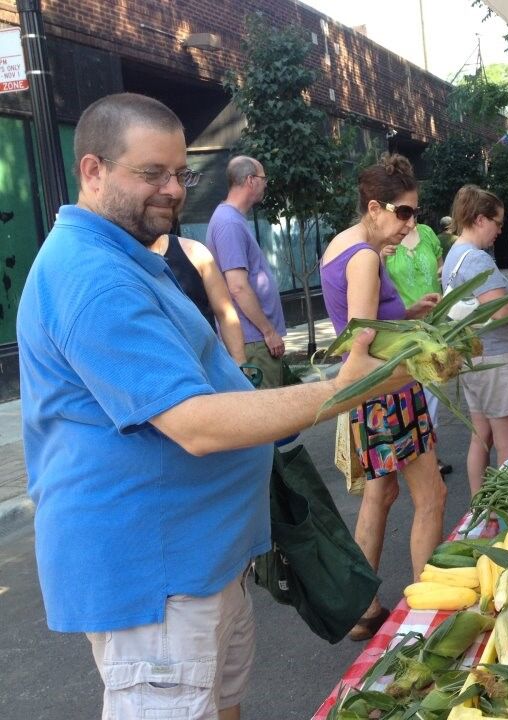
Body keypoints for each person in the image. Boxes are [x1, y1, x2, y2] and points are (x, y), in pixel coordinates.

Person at [16, 92, 404, 720]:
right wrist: (343, 390)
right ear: (92, 170)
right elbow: (194, 424)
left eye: (180, 172)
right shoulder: (91, 277)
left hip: (199, 561)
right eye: (151, 173)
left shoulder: (126, 256)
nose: (172, 189)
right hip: (154, 580)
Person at [319, 153, 447, 639]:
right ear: (375, 207)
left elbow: (363, 319)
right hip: (389, 389)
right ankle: (427, 609)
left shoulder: (341, 245)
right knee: (432, 496)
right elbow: (361, 345)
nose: (410, 225)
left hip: (372, 397)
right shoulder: (367, 257)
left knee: (380, 493)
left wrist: (409, 311)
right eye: (405, 213)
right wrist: (422, 355)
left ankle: (364, 608)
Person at [442, 185, 508, 496]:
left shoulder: (455, 255)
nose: (500, 230)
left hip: (474, 360)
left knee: (479, 437)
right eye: (498, 223)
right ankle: (507, 513)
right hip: (495, 359)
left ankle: (480, 510)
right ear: (480, 219)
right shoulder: (477, 259)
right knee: (506, 445)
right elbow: (498, 310)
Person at [206, 156, 287, 388]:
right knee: (270, 417)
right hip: (253, 342)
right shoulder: (229, 223)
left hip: (254, 340)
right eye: (263, 179)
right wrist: (268, 331)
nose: (265, 184)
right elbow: (238, 287)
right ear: (251, 180)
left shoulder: (232, 219)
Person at [382, 222, 453, 476]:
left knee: (432, 390)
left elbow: (440, 265)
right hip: (405, 329)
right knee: (410, 389)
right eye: (403, 211)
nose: (409, 219)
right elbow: (377, 282)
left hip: (434, 325)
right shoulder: (386, 239)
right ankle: (412, 454)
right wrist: (380, 256)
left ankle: (428, 454)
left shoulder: (427, 233)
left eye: (412, 211)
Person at [148, 232, 247, 365]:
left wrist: (241, 367)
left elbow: (225, 313)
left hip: (208, 367)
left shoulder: (195, 252)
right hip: (159, 370)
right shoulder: (121, 262)